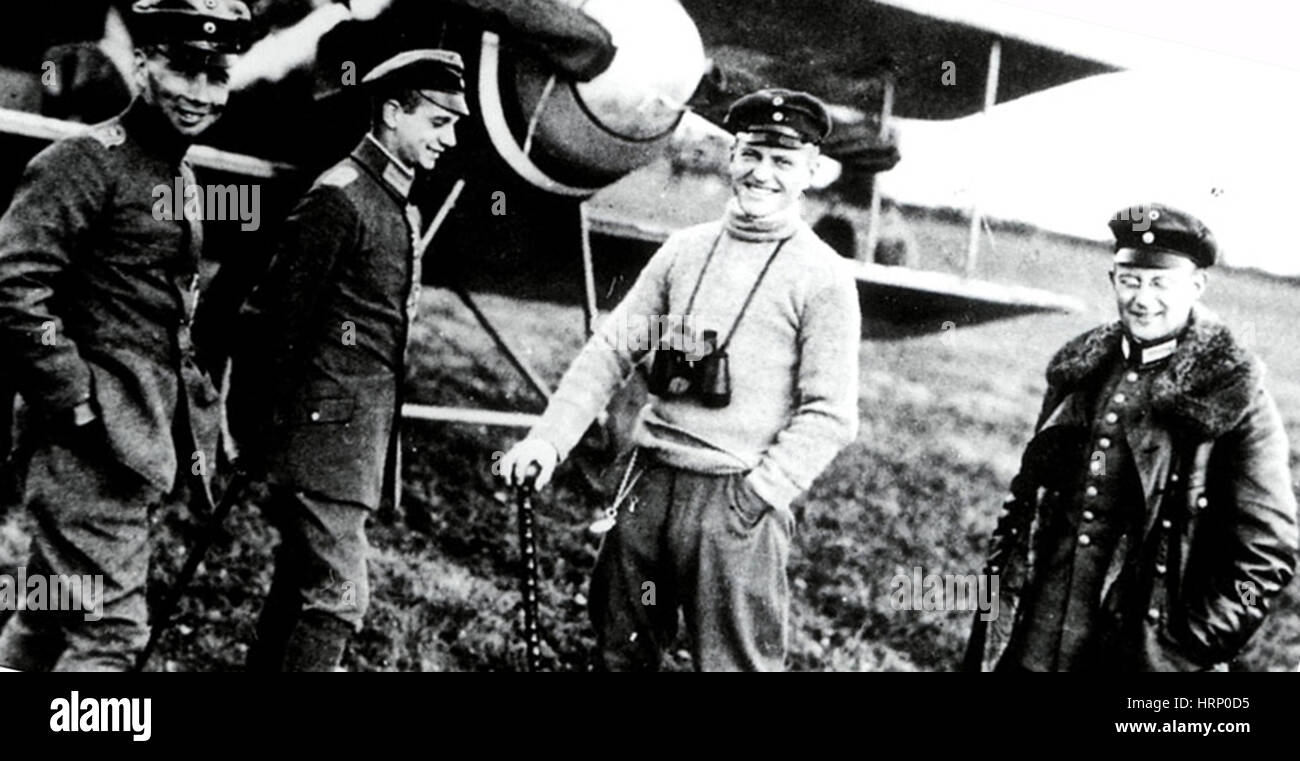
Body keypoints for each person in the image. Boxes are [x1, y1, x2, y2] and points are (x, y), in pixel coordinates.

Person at [498, 88, 861, 671]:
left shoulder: (823, 277)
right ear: (732, 156)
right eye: (751, 154)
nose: (761, 173)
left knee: (734, 664)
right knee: (623, 650)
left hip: (734, 499)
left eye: (783, 161)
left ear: (811, 173)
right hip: (647, 485)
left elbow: (831, 414)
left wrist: (754, 499)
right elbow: (610, 353)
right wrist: (549, 438)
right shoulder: (682, 251)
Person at [0, 0, 252, 671]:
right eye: (185, 69)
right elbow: (12, 287)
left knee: (49, 608)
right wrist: (77, 399)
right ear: (143, 64)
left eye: (217, 75)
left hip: (131, 444)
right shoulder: (83, 162)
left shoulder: (180, 174)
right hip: (85, 446)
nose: (201, 92)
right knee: (110, 636)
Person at [966, 203, 1298, 672]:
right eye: (1130, 280)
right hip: (1033, 638)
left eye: (1161, 282)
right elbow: (1025, 498)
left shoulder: (1233, 390)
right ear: (1113, 280)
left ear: (1196, 286)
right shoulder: (1080, 370)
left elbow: (1266, 555)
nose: (1143, 299)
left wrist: (1189, 647)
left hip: (1137, 655)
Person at [232, 49, 468, 671]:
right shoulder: (342, 197)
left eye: (454, 126)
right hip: (320, 441)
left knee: (297, 592)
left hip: (349, 440)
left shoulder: (393, 202)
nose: (449, 140)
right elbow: (272, 321)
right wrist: (253, 429)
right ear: (392, 112)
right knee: (338, 600)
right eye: (438, 123)